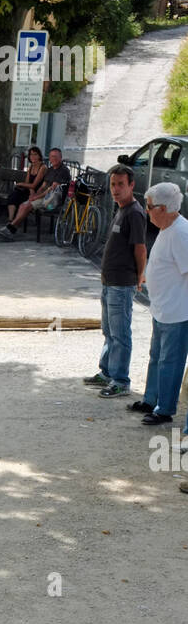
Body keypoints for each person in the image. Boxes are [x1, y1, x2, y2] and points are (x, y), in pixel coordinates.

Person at [82, 165, 147, 398]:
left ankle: (121, 380)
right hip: (109, 281)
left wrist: (140, 275)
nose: (116, 189)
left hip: (122, 283)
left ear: (131, 185)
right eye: (113, 184)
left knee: (120, 334)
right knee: (109, 330)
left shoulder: (135, 213)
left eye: (121, 184)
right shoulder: (120, 209)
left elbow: (140, 248)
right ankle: (107, 372)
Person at [129, 181, 188, 434]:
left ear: (163, 208)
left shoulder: (181, 233)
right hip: (163, 308)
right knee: (157, 358)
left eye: (150, 207)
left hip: (177, 312)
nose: (147, 210)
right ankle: (151, 400)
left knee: (170, 362)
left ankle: (164, 409)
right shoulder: (168, 227)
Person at [0, 147, 70, 238]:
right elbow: (43, 186)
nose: (53, 159)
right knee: (23, 205)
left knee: (26, 205)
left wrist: (36, 197)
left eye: (55, 156)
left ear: (60, 158)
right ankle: (12, 229)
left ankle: (10, 228)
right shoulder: (50, 170)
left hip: (53, 200)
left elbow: (51, 189)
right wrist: (35, 195)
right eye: (51, 156)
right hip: (45, 197)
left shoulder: (63, 171)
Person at [5, 146, 45, 223]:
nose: (33, 156)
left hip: (38, 192)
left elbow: (34, 185)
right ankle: (10, 219)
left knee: (19, 195)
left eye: (35, 154)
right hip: (30, 190)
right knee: (13, 195)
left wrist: (21, 183)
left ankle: (15, 220)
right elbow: (27, 183)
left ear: (39, 155)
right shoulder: (31, 166)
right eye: (31, 154)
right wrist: (29, 189)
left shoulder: (43, 167)